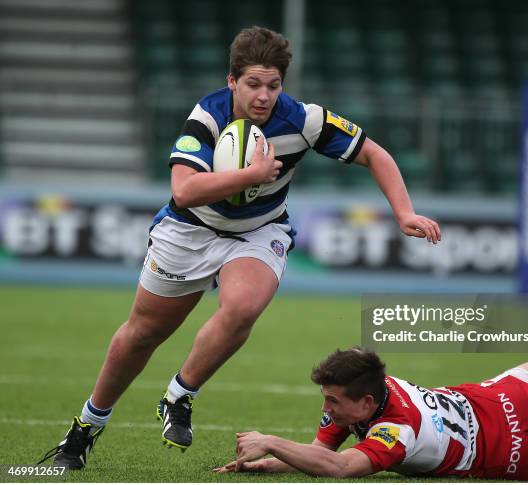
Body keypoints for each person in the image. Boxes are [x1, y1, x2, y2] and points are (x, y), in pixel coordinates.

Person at [37, 26, 441, 469]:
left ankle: (179, 395)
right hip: (190, 230)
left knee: (244, 306)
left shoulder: (304, 119)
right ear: (232, 81)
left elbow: (374, 154)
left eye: (273, 85)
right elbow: (184, 191)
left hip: (257, 231)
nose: (263, 96)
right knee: (142, 335)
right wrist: (252, 175)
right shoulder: (207, 118)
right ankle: (85, 428)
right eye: (252, 84)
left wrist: (404, 212)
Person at [215, 347, 528, 480]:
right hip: (497, 399)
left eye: (333, 401)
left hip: (507, 459)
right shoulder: (369, 387)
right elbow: (319, 454)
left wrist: (269, 440)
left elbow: (337, 468)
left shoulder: (397, 432)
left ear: (366, 405)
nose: (326, 407)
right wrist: (268, 464)